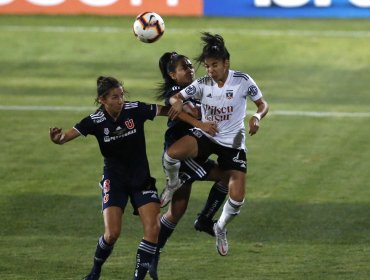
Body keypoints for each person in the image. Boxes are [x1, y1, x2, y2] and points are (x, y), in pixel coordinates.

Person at [49, 76, 216, 280]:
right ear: (102, 100)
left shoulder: (134, 109)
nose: (120, 100)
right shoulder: (95, 121)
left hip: (141, 179)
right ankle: (95, 271)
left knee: (153, 229)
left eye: (121, 95)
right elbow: (65, 137)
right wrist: (58, 139)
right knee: (111, 234)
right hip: (115, 181)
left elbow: (167, 112)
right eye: (114, 97)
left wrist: (197, 122)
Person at [162, 32, 269, 257]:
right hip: (209, 135)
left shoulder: (243, 80)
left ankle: (219, 227)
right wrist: (186, 112)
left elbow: (262, 104)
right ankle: (172, 183)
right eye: (208, 66)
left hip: (234, 142)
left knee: (238, 198)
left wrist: (257, 117)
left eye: (214, 65)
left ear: (226, 63)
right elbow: (175, 99)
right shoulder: (202, 83)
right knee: (172, 154)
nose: (210, 70)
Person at [148, 52, 229, 279]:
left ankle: (154, 252)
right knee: (225, 178)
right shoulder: (175, 92)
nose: (191, 70)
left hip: (197, 151)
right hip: (183, 154)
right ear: (173, 75)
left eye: (191, 66)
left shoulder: (197, 88)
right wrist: (202, 117)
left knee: (177, 211)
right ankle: (200, 221)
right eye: (185, 68)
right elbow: (190, 111)